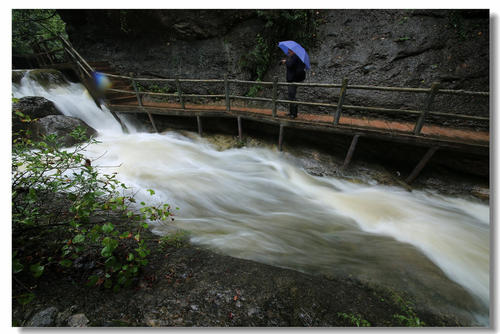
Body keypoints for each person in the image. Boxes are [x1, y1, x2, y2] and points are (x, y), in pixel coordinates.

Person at [280, 49, 306, 118]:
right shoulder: (295, 57)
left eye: (289, 51)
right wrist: (287, 61)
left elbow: (290, 65)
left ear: (293, 51)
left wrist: (285, 61)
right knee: (291, 96)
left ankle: (294, 114)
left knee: (292, 96)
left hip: (293, 79)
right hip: (294, 79)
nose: (288, 52)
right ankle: (291, 112)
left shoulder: (295, 56)